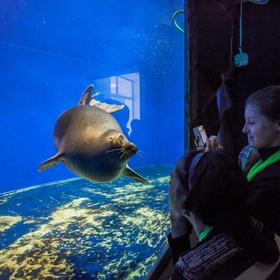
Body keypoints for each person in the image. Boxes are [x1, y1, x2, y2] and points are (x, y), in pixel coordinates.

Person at [168, 150, 280, 280]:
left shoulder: (190, 271)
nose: (169, 184)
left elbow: (192, 268)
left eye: (172, 179)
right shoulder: (261, 228)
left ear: (189, 198)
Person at [206, 85, 280, 235]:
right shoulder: (259, 157)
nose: (244, 129)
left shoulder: (273, 178)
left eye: (251, 122)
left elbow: (234, 217)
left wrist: (216, 165)